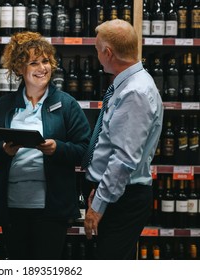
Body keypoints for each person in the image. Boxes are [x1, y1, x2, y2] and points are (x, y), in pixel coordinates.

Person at [0, 31, 90, 260]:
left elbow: (86, 150)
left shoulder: (66, 105)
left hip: (51, 209)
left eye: (46, 61)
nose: (42, 68)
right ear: (19, 68)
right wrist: (3, 150)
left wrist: (58, 148)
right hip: (12, 207)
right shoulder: (3, 107)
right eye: (34, 62)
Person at [82, 19, 164, 259]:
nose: (96, 55)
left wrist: (98, 206)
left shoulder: (135, 92)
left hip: (123, 199)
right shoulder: (127, 84)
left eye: (97, 49)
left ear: (108, 53)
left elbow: (124, 159)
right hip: (114, 193)